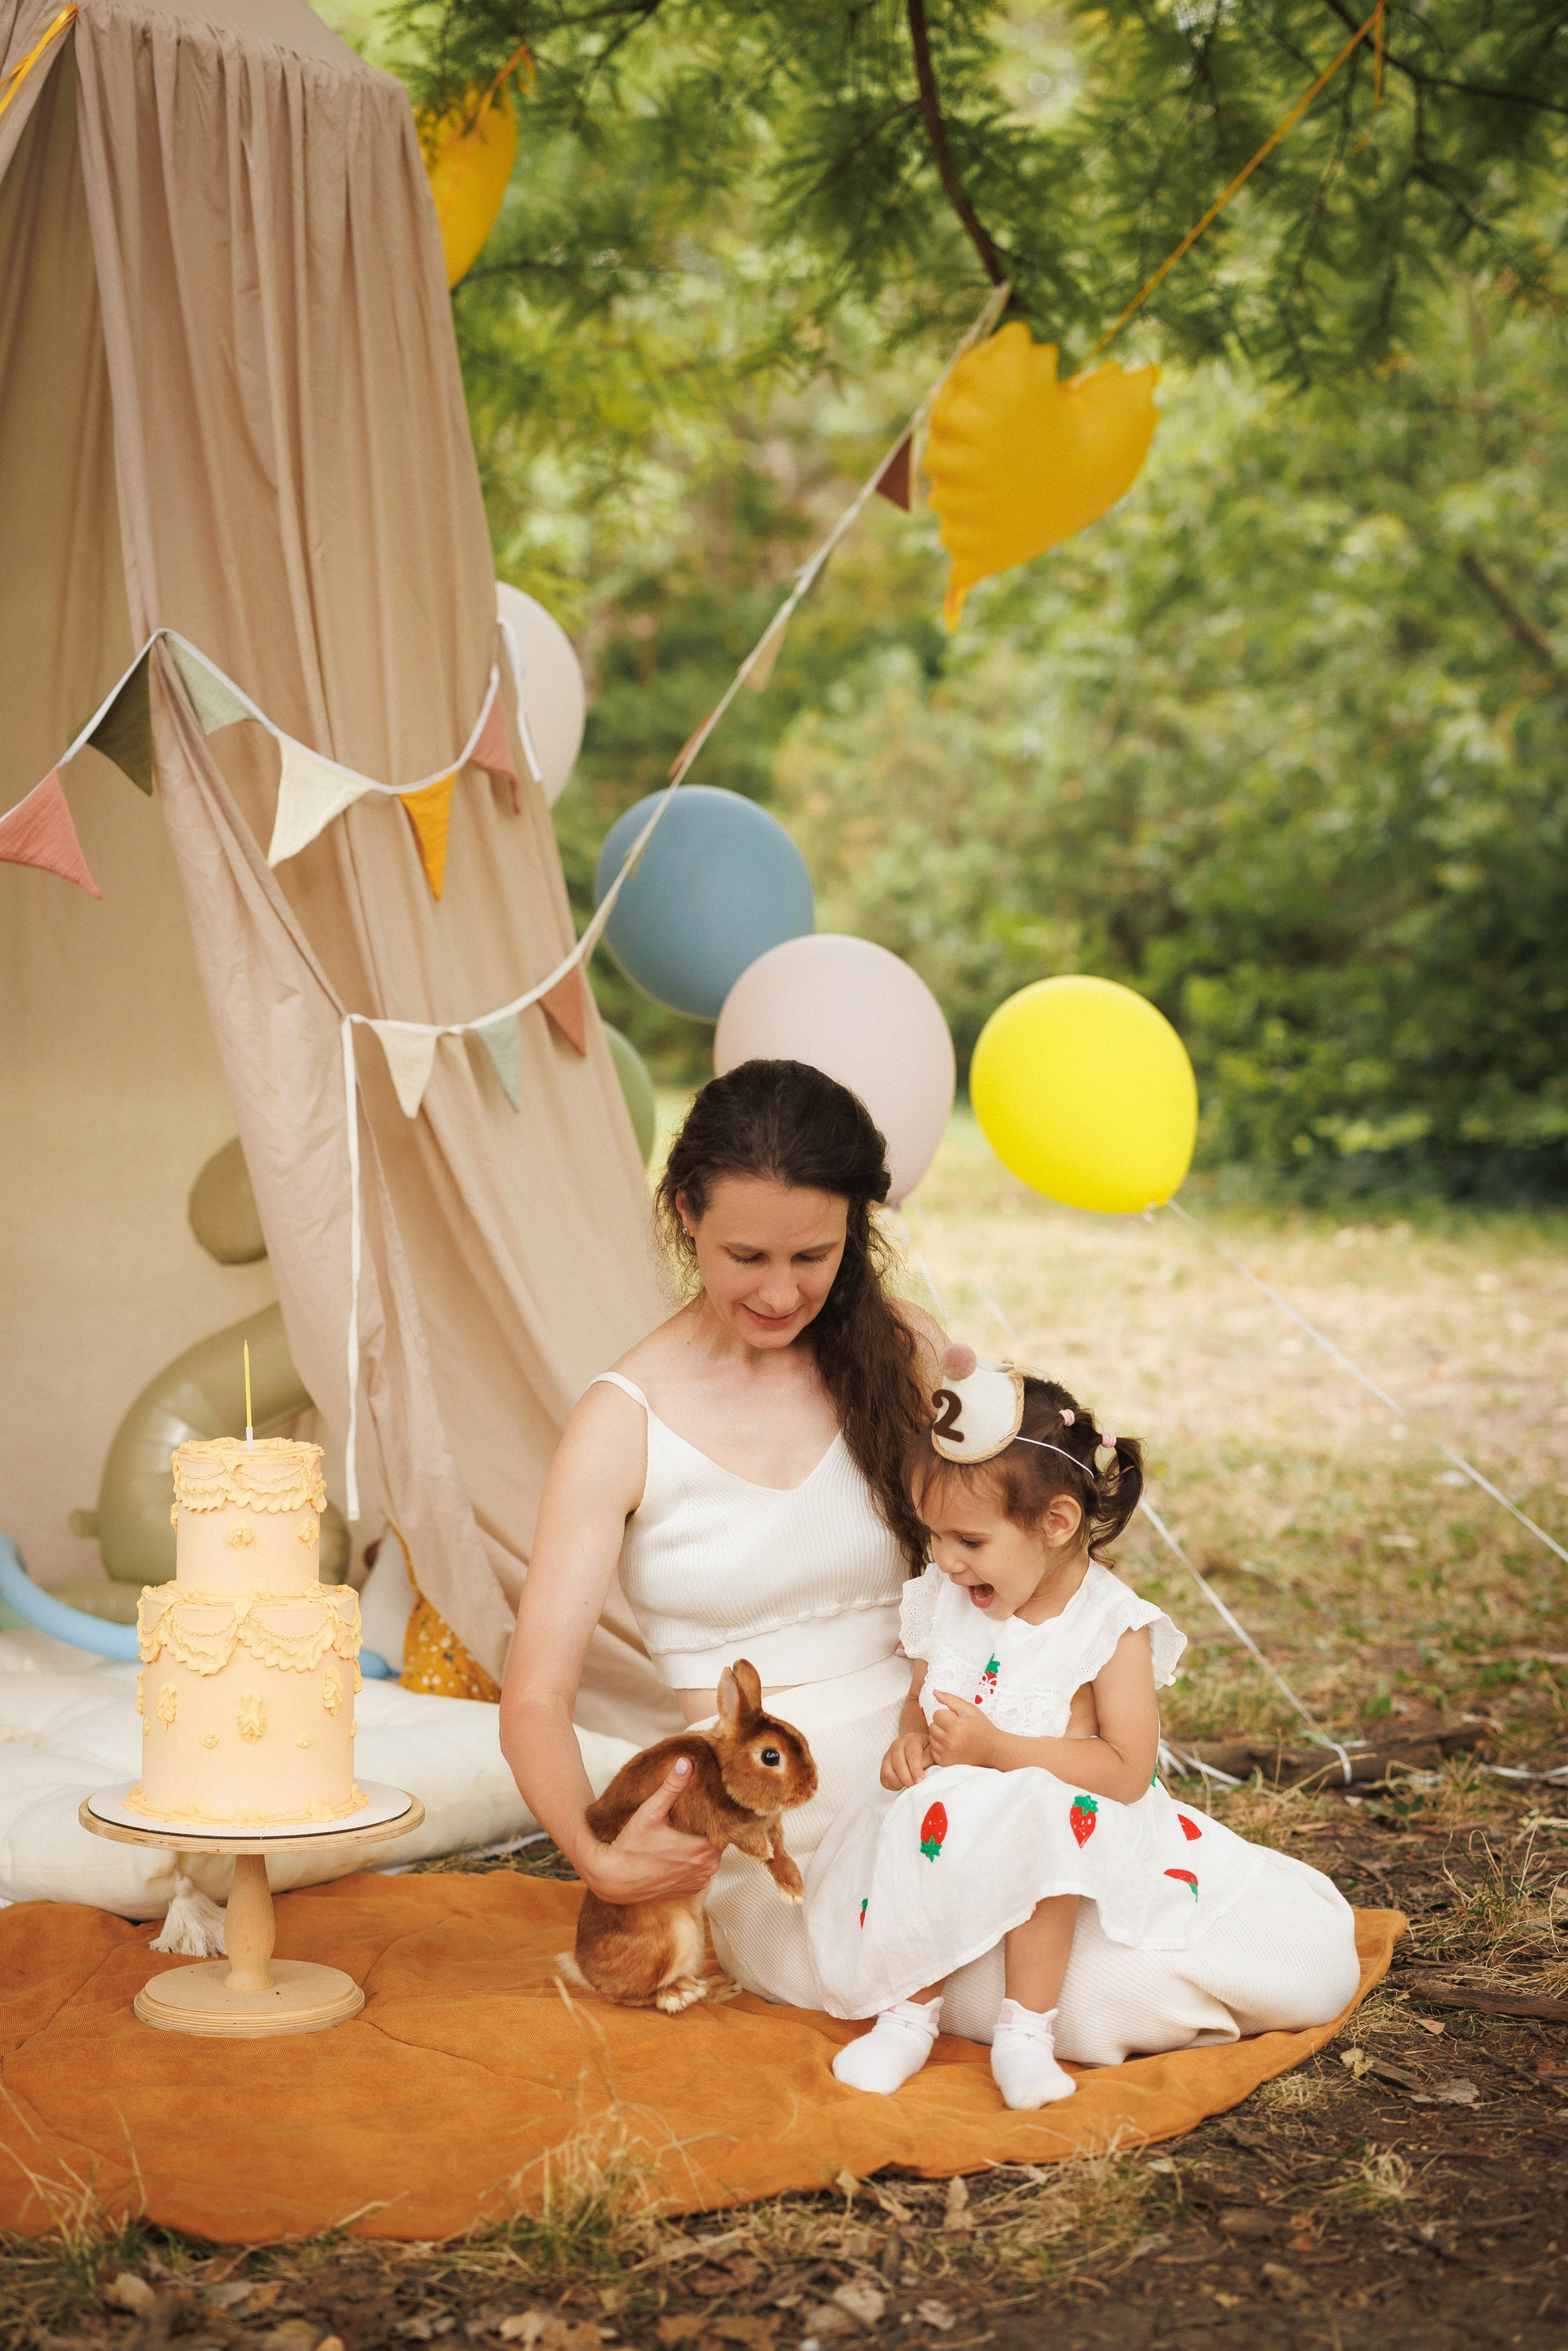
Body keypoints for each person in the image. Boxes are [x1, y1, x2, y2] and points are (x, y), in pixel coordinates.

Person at [499, 1057, 941, 2009]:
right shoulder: (622, 1419)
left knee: (1128, 1938)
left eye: (813, 1256)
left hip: (931, 1754)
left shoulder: (898, 1352)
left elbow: (990, 1564)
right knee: (926, 1966)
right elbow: (536, 1693)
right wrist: (597, 1855)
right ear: (688, 1212)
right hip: (760, 1822)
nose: (781, 1294)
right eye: (749, 1257)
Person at [807, 1352, 1363, 2105]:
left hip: (1071, 1805)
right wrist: (910, 1743)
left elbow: (1127, 1769)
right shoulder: (944, 1595)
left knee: (1040, 1822)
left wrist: (999, 1751)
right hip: (951, 1808)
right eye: (933, 1535)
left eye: (967, 1541)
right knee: (922, 1823)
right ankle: (909, 2017)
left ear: (1056, 1523)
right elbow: (921, 1697)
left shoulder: (1111, 1627)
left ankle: (1025, 2034)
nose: (943, 1559)